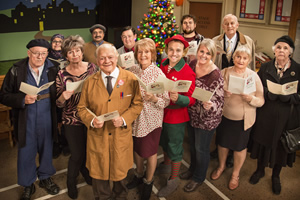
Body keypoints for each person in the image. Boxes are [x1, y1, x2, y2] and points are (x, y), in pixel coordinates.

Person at [77, 44, 143, 200]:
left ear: (117, 58)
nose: (106, 61)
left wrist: (125, 119)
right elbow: (82, 108)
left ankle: (120, 196)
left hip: (120, 137)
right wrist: (92, 120)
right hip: (98, 138)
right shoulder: (89, 82)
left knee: (120, 175)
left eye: (110, 57)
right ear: (97, 60)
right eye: (102, 58)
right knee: (99, 177)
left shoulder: (131, 79)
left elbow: (137, 104)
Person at [0, 39, 60, 200]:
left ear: (47, 54)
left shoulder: (54, 68)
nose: (40, 57)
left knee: (47, 149)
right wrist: (22, 100)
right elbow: (3, 96)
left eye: (43, 53)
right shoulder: (16, 70)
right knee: (26, 152)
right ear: (29, 53)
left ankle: (45, 177)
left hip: (47, 117)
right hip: (25, 118)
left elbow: (60, 90)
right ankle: (28, 184)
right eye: (36, 53)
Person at [248, 35, 300, 195]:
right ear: (274, 50)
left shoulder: (298, 70)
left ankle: (276, 176)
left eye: (285, 48)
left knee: (281, 147)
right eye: (278, 47)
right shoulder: (265, 67)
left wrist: (290, 97)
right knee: (263, 143)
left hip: (287, 117)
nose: (281, 51)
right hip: (266, 114)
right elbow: (258, 87)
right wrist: (267, 92)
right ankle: (260, 170)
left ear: (290, 52)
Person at [210, 46, 264, 190]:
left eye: (244, 58)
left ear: (249, 60)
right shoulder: (225, 72)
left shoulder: (253, 76)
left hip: (243, 120)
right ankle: (221, 167)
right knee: (222, 144)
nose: (241, 60)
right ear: (233, 58)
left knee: (240, 148)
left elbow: (261, 100)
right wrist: (222, 94)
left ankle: (235, 174)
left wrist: (251, 98)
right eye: (238, 57)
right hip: (225, 117)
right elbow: (213, 92)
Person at [125, 38, 169, 199]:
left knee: (150, 152)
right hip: (135, 118)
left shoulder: (158, 74)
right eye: (140, 51)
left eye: (147, 52)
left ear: (152, 54)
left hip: (151, 120)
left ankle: (148, 182)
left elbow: (166, 101)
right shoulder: (133, 69)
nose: (143, 55)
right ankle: (138, 174)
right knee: (137, 148)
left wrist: (154, 99)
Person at [179, 39, 224, 192]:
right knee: (192, 145)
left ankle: (198, 178)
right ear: (197, 51)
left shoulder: (216, 74)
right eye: (202, 51)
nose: (204, 55)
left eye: (208, 53)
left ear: (213, 55)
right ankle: (192, 169)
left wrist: (211, 105)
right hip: (192, 112)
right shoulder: (192, 64)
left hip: (207, 118)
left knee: (201, 149)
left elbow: (219, 100)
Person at [56, 35, 98, 199]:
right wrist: (63, 97)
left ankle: (86, 172)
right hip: (71, 119)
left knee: (88, 151)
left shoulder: (92, 68)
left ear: (82, 52)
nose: (75, 55)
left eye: (77, 51)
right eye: (71, 52)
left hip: (91, 117)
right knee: (77, 154)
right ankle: (70, 182)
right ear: (66, 55)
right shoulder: (61, 74)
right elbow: (58, 104)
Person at [211, 13, 256, 167]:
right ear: (223, 26)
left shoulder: (248, 41)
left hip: (240, 87)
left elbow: (253, 62)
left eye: (232, 23)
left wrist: (250, 85)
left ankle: (231, 154)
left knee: (236, 121)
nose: (229, 26)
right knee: (221, 119)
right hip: (222, 84)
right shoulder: (215, 41)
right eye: (226, 23)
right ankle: (220, 149)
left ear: (237, 25)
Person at [156, 35, 196, 197]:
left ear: (184, 52)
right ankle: (166, 164)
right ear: (166, 50)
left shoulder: (187, 71)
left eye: (178, 50)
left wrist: (179, 98)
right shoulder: (163, 65)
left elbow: (192, 99)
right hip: (161, 112)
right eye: (171, 49)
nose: (174, 53)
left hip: (176, 116)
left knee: (175, 147)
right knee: (164, 142)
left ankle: (173, 179)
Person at [48, 33, 70, 159]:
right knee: (53, 119)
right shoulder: (47, 57)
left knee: (64, 118)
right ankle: (55, 144)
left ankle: (65, 143)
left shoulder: (67, 56)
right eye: (54, 41)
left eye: (59, 41)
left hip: (65, 91)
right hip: (51, 92)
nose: (57, 44)